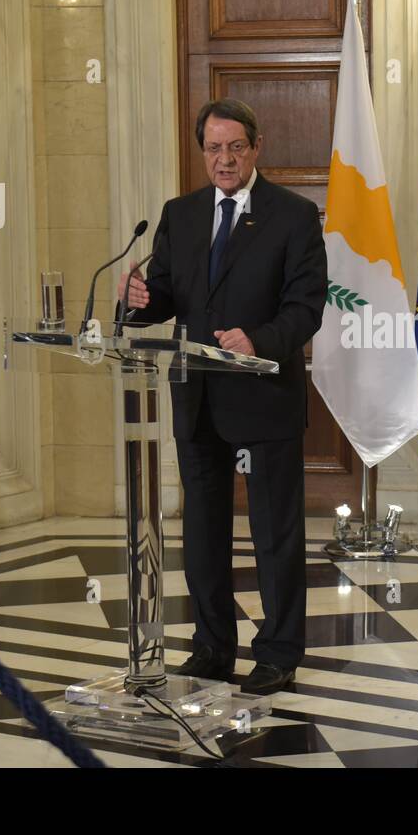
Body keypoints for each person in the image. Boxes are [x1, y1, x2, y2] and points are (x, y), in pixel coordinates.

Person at [118, 98, 327, 695]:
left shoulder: (292, 215)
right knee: (203, 531)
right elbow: (165, 297)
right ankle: (212, 647)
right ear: (202, 152)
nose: (224, 159)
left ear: (256, 148)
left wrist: (256, 340)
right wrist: (139, 299)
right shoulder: (179, 214)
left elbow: (305, 308)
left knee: (273, 531)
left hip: (263, 397)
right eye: (213, 148)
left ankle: (278, 652)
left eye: (235, 147)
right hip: (198, 395)